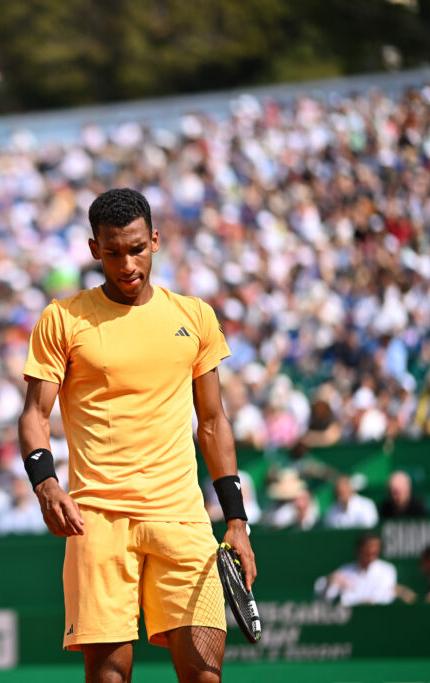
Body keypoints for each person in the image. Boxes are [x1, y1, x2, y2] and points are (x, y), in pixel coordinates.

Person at [18, 189, 255, 683]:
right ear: (93, 250)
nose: (126, 264)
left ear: (155, 241)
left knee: (204, 676)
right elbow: (34, 414)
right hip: (97, 518)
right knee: (110, 677)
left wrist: (236, 520)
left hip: (183, 518)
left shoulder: (195, 316)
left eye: (136, 249)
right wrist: (46, 484)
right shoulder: (61, 319)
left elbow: (212, 422)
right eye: (112, 252)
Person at [315, 532, 396, 606]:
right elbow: (326, 597)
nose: (371, 557)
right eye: (367, 553)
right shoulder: (345, 571)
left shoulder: (387, 570)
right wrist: (329, 582)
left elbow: (384, 598)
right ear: (358, 550)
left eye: (374, 553)